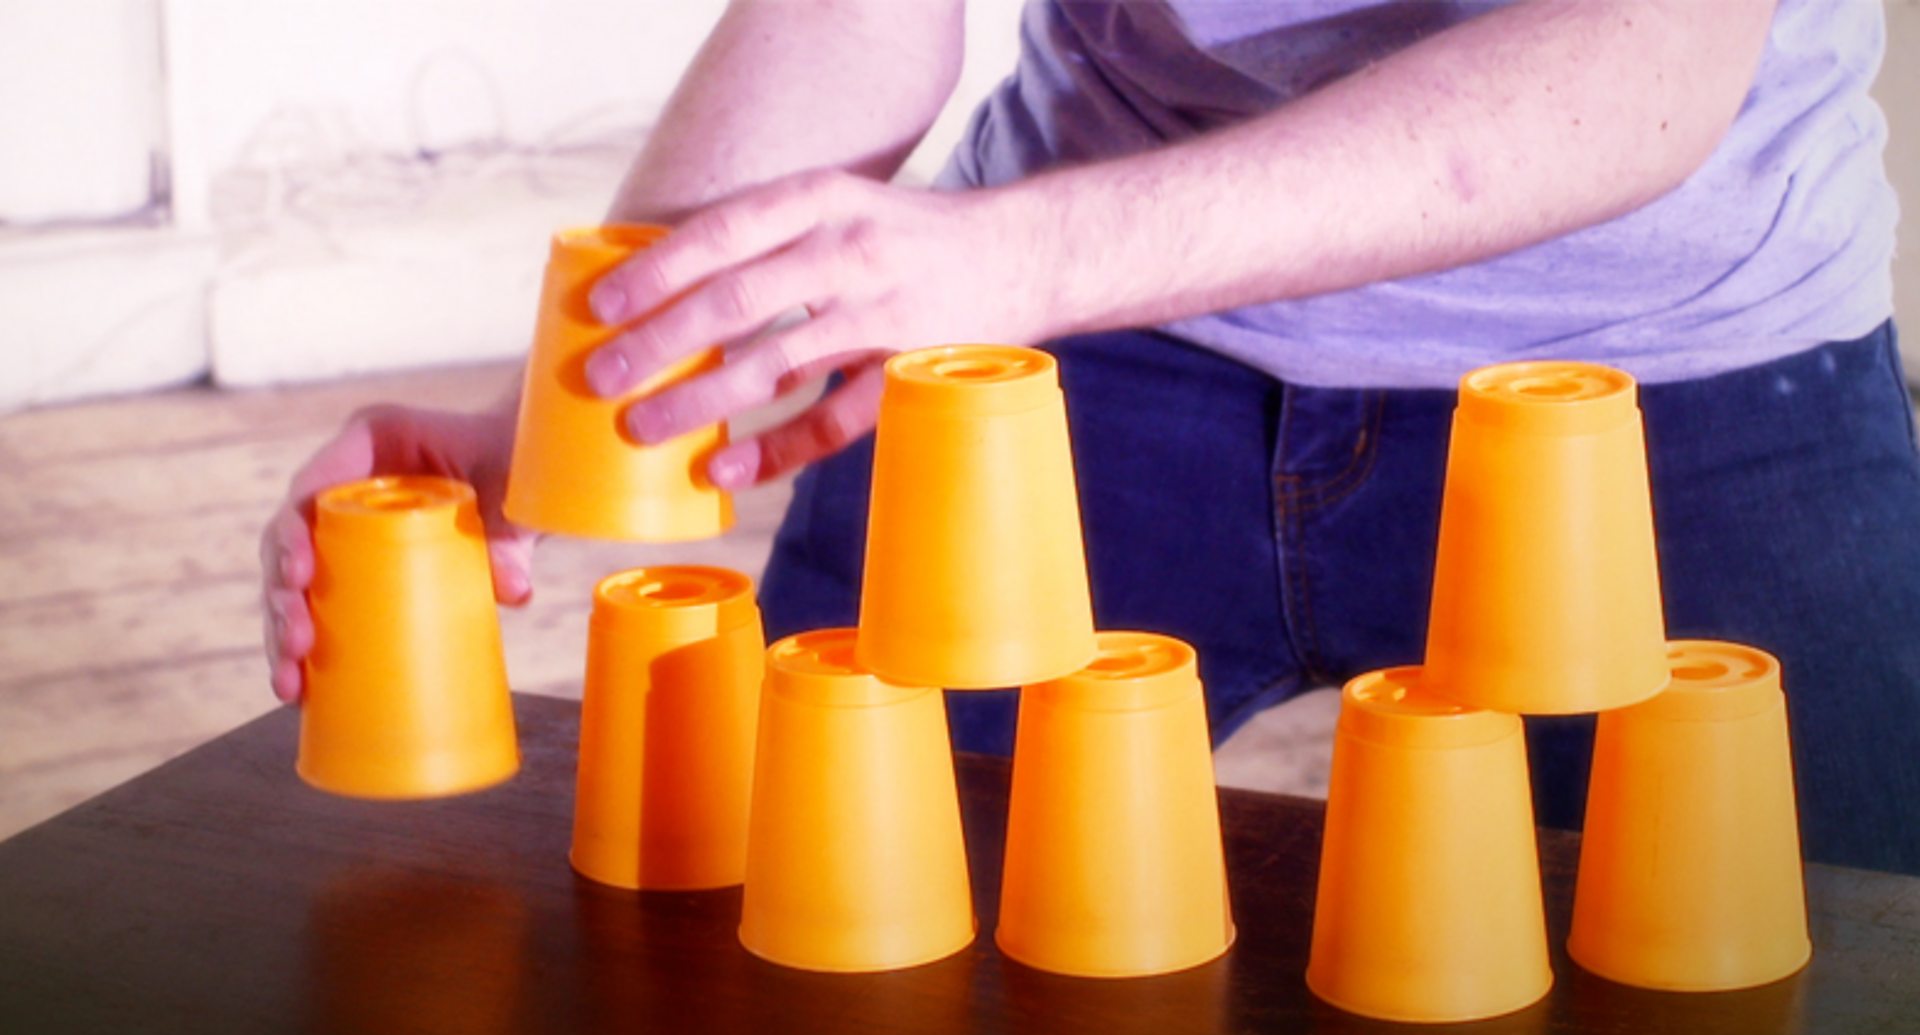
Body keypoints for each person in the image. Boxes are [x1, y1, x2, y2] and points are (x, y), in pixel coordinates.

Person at [260, 0, 1920, 873]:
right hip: (1089, 334)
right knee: (811, 933)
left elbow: (1652, 48)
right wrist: (565, 414)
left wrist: (1020, 259)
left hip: (1681, 356)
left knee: (1820, 977)